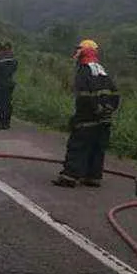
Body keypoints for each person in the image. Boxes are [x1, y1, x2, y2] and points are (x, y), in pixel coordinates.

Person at [53, 40, 120, 188]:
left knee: (78, 145)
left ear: (83, 52)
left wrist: (87, 114)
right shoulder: (103, 71)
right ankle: (93, 176)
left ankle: (69, 177)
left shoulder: (84, 71)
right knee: (97, 147)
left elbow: (84, 96)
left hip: (87, 117)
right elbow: (115, 94)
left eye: (78, 51)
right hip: (104, 120)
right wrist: (107, 110)